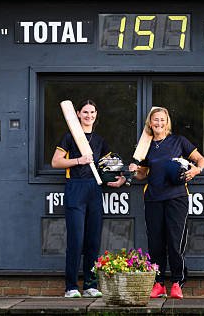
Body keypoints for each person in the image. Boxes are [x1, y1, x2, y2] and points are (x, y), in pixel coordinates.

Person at [51, 99, 126, 299]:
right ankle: (71, 287)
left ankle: (90, 285)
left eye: (92, 112)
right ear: (78, 114)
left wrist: (122, 178)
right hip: (75, 188)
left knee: (93, 241)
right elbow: (56, 162)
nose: (89, 115)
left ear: (96, 115)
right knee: (76, 240)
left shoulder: (99, 140)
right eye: (85, 112)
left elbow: (111, 166)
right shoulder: (69, 137)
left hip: (94, 189)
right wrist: (79, 160)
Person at [129, 106, 204, 300]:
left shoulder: (178, 141)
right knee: (155, 243)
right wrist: (134, 170)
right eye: (155, 119)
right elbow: (142, 174)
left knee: (175, 242)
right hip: (153, 198)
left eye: (162, 119)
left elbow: (200, 160)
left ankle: (177, 282)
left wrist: (196, 170)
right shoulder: (145, 145)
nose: (159, 123)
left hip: (176, 198)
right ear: (150, 122)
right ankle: (159, 283)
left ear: (167, 122)